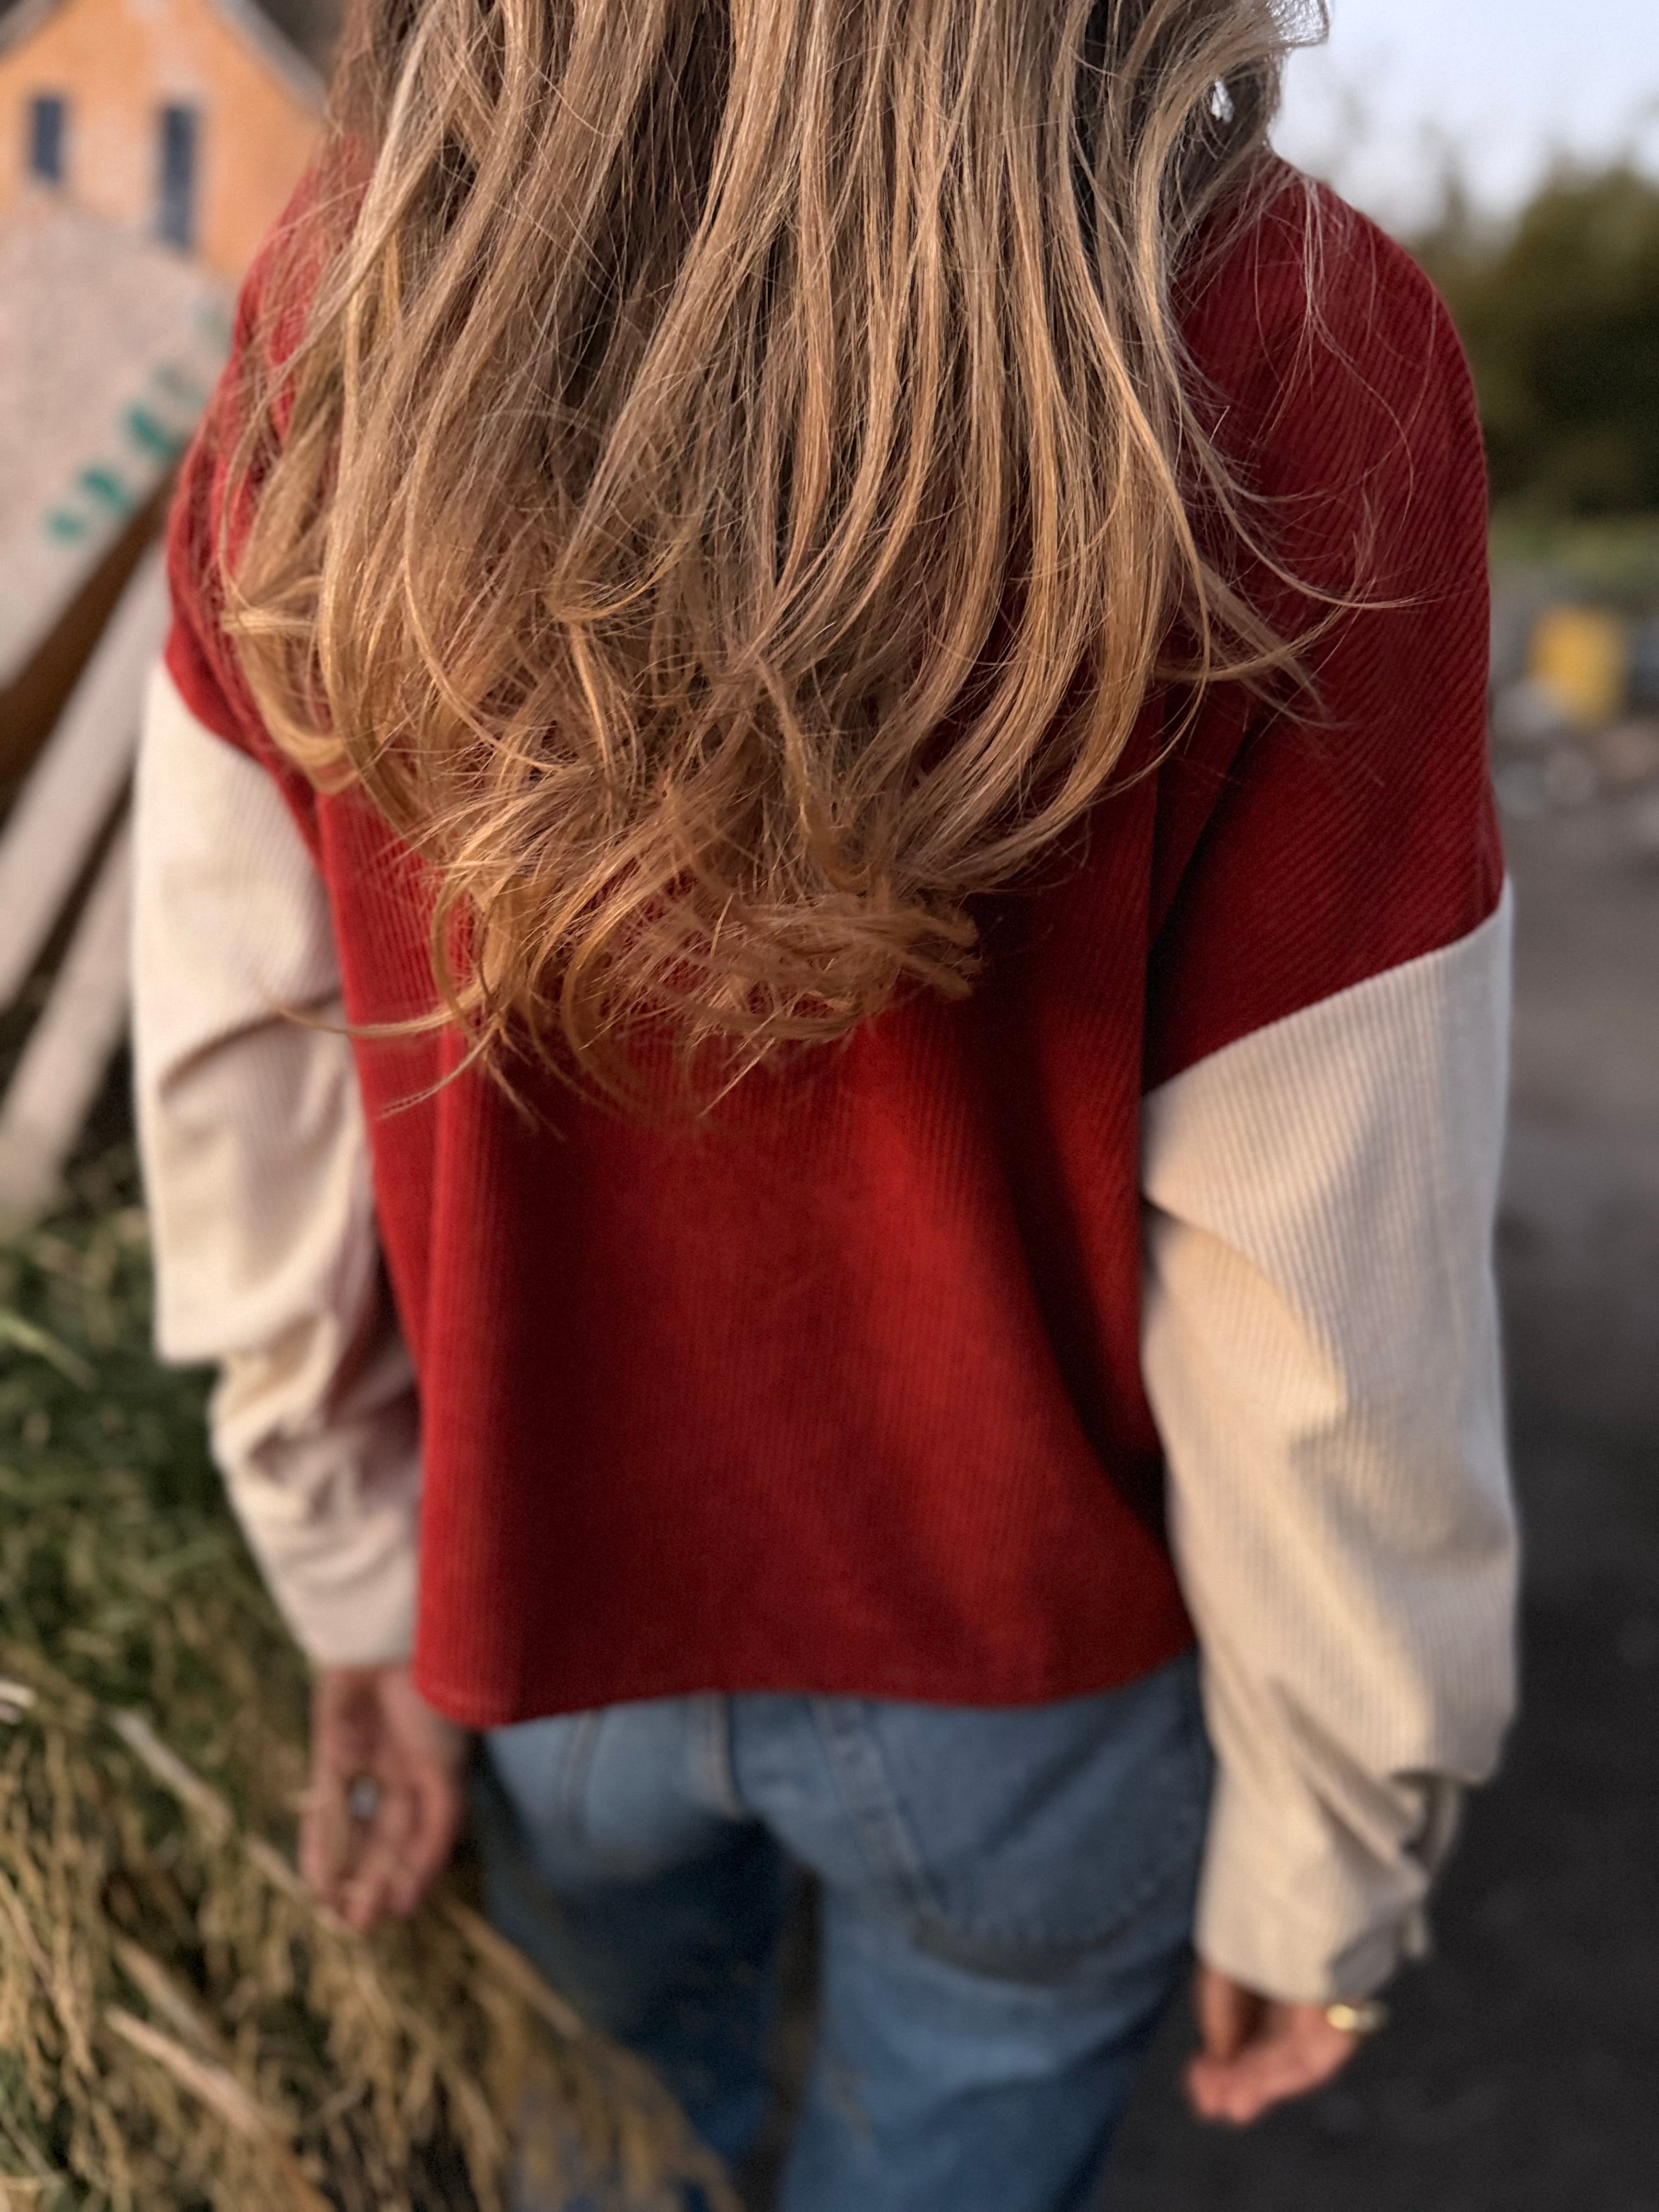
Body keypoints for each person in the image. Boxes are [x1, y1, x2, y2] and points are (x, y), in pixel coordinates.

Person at [131, 0, 1519, 2204]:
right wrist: (1328, 1841)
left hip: (543, 1619)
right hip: (1024, 1665)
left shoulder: (347, 306)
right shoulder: (1296, 337)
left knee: (603, 2153)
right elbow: (1333, 1262)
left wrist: (345, 1581)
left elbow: (233, 1066)